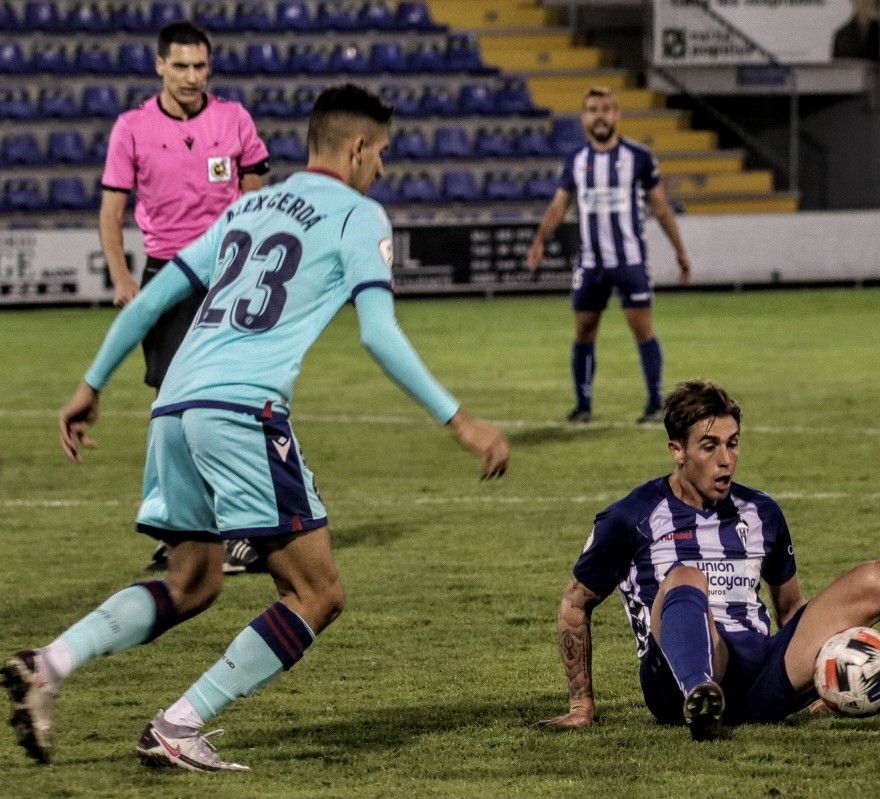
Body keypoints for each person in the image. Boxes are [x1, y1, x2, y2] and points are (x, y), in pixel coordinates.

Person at [4, 84, 511, 773]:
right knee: (317, 592)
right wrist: (461, 420)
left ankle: (50, 663)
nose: (383, 168)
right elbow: (380, 334)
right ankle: (179, 724)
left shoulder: (248, 207)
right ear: (358, 147)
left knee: (193, 580)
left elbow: (152, 299)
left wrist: (90, 385)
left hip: (175, 405)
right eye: (382, 153)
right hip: (243, 410)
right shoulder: (359, 215)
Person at [537, 379, 880, 740]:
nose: (725, 459)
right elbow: (573, 605)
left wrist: (823, 674)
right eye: (709, 446)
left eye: (733, 443)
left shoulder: (761, 512)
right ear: (676, 450)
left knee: (879, 575)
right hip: (674, 684)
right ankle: (701, 699)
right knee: (684, 576)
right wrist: (583, 703)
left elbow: (791, 604)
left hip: (759, 674)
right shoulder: (630, 517)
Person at [99, 21, 270, 573]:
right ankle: (185, 530)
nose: (192, 76)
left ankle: (241, 530)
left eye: (200, 66)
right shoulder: (132, 128)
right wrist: (124, 278)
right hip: (166, 278)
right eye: (181, 66)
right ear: (159, 66)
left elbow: (255, 187)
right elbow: (112, 211)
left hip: (226, 279)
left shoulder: (233, 119)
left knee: (232, 404)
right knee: (173, 411)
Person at [526, 87, 692, 425]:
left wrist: (680, 251)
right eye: (592, 110)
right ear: (584, 118)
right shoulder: (576, 159)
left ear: (617, 114)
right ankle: (583, 405)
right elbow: (560, 204)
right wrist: (540, 239)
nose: (599, 115)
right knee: (584, 330)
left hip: (629, 260)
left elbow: (660, 207)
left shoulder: (640, 157)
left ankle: (654, 402)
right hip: (591, 263)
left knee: (642, 329)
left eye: (605, 109)